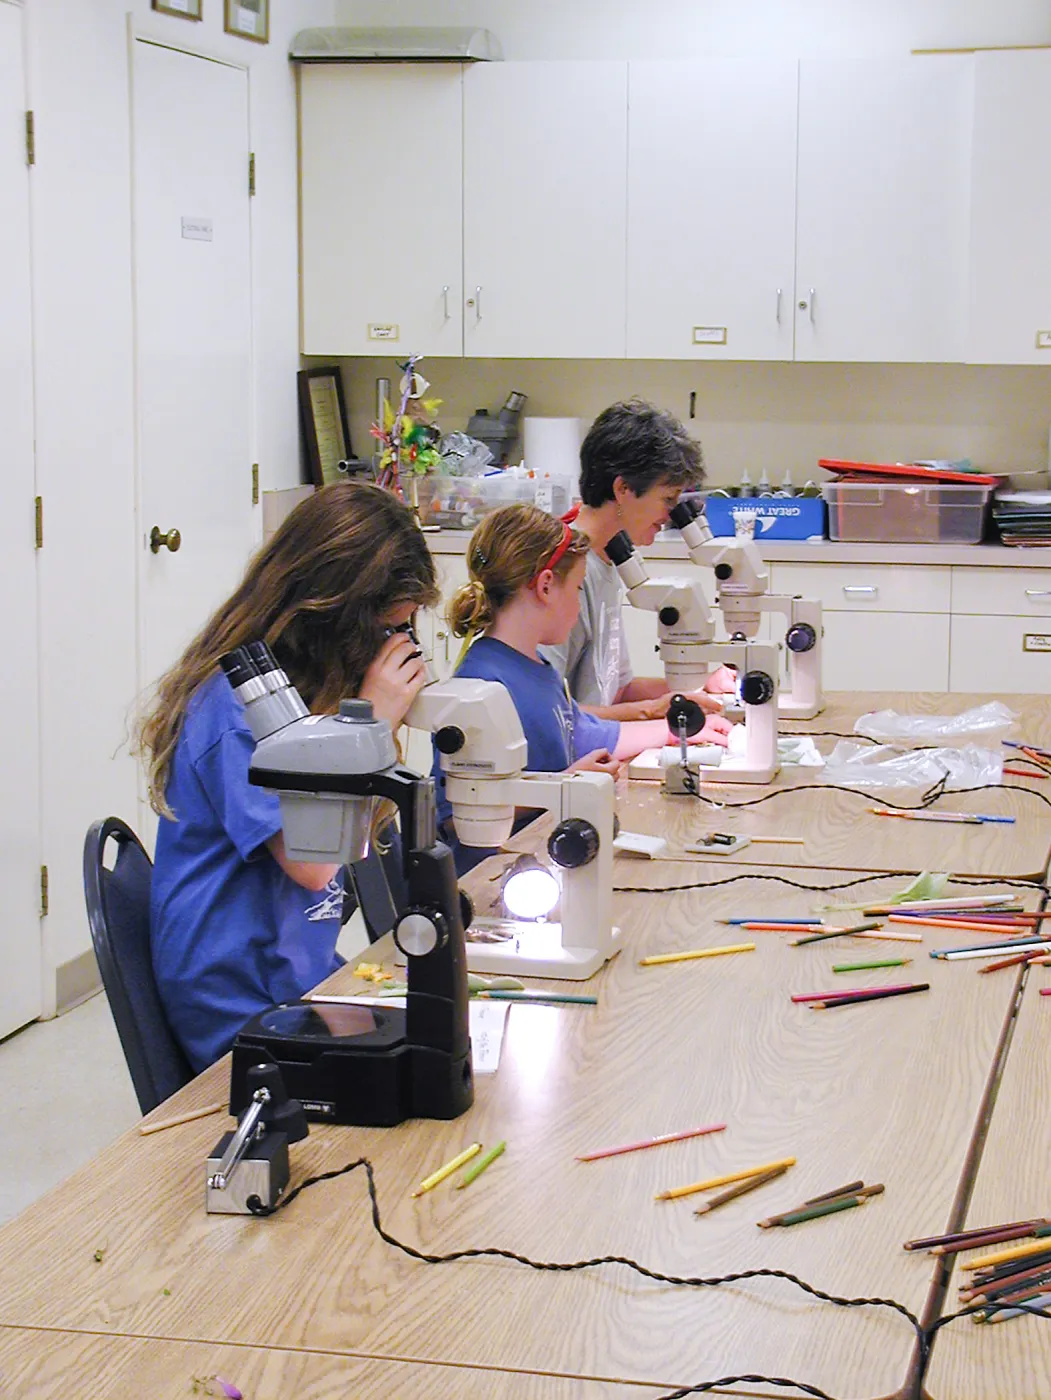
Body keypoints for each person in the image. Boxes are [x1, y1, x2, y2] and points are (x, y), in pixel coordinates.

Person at [135, 483, 437, 1071]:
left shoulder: (304, 700)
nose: (396, 650)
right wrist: (369, 721)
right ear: (331, 615)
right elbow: (315, 864)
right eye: (388, 631)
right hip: (240, 1012)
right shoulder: (237, 715)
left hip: (295, 980)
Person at [436, 504, 731, 872]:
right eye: (576, 589)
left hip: (546, 859)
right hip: (490, 880)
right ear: (545, 586)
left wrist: (677, 728)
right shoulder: (481, 685)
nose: (578, 605)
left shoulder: (538, 670)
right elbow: (456, 817)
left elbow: (588, 733)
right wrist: (566, 785)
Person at [541, 399, 736, 721]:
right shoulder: (566, 569)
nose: (670, 514)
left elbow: (617, 690)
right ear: (623, 488)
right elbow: (546, 714)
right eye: (667, 499)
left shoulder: (607, 561)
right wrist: (650, 712)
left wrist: (701, 688)